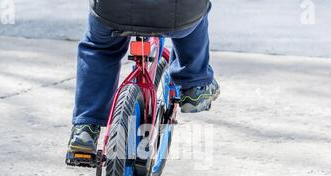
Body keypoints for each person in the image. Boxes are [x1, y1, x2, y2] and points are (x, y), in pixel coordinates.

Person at [68, 2, 220, 155]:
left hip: (113, 12)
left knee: (99, 48)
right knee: (195, 11)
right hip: (177, 13)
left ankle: (86, 127)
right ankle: (194, 85)